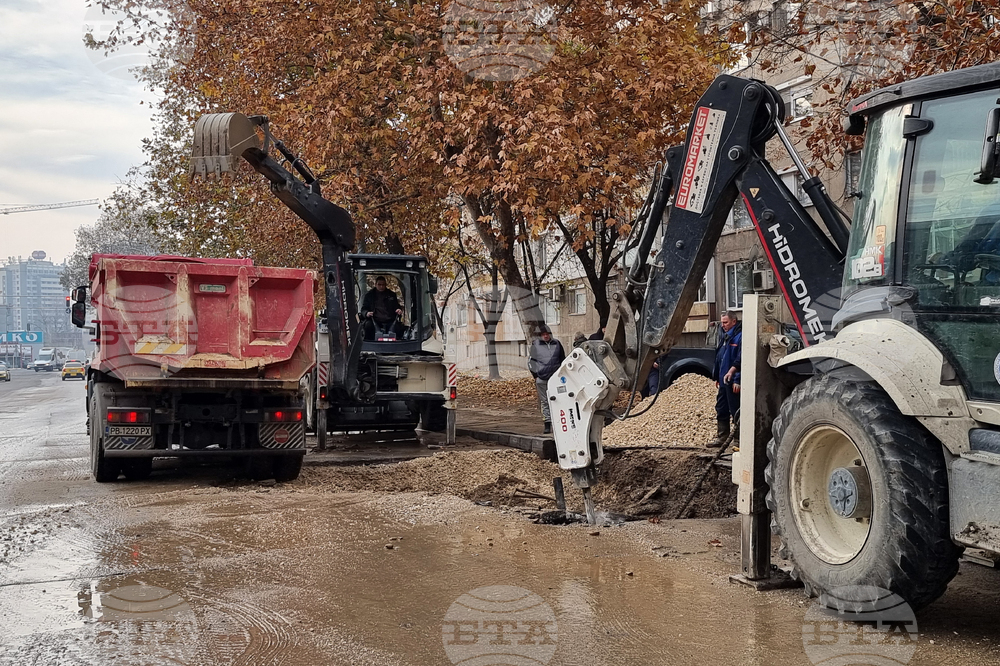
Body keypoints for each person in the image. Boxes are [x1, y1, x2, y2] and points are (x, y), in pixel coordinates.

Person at [711, 310, 742, 447]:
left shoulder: (739, 337)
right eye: (722, 322)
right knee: (721, 407)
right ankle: (722, 437)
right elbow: (720, 359)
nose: (723, 325)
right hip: (723, 380)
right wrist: (718, 376)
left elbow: (741, 360)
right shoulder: (724, 337)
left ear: (734, 321)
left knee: (735, 410)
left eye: (725, 322)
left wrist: (738, 380)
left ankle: (738, 440)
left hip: (732, 381)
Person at [528, 324, 565, 434]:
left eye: (547, 334)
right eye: (543, 334)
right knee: (545, 402)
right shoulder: (535, 345)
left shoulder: (557, 344)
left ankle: (559, 423)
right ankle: (547, 424)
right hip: (542, 378)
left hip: (556, 378)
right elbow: (531, 362)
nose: (545, 336)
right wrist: (535, 376)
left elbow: (562, 359)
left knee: (559, 400)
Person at [360, 275, 403, 339]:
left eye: (383, 285)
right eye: (379, 284)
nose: (381, 286)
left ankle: (398, 345)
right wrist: (367, 313)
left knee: (399, 327)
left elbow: (396, 306)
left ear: (386, 285)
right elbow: (363, 309)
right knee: (368, 326)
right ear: (375, 284)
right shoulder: (369, 295)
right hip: (374, 320)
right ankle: (369, 343)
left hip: (390, 320)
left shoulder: (391, 295)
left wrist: (398, 310)